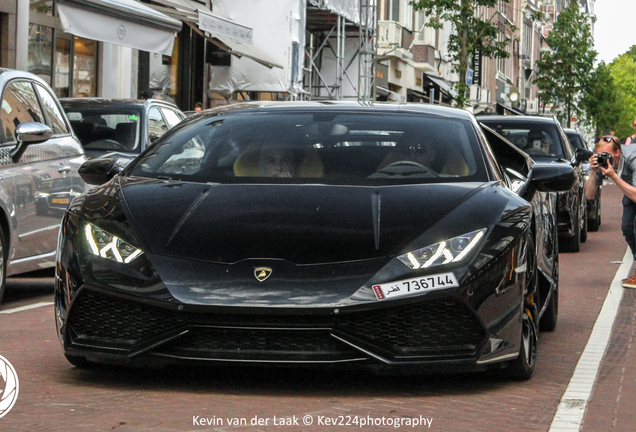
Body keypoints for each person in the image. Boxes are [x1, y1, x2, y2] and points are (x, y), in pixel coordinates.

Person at [584, 135, 636, 287]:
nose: (602, 158)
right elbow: (589, 195)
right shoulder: (604, 163)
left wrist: (613, 175)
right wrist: (593, 172)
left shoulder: (633, 158)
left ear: (617, 153)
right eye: (598, 155)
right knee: (627, 227)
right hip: (630, 190)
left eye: (605, 155)